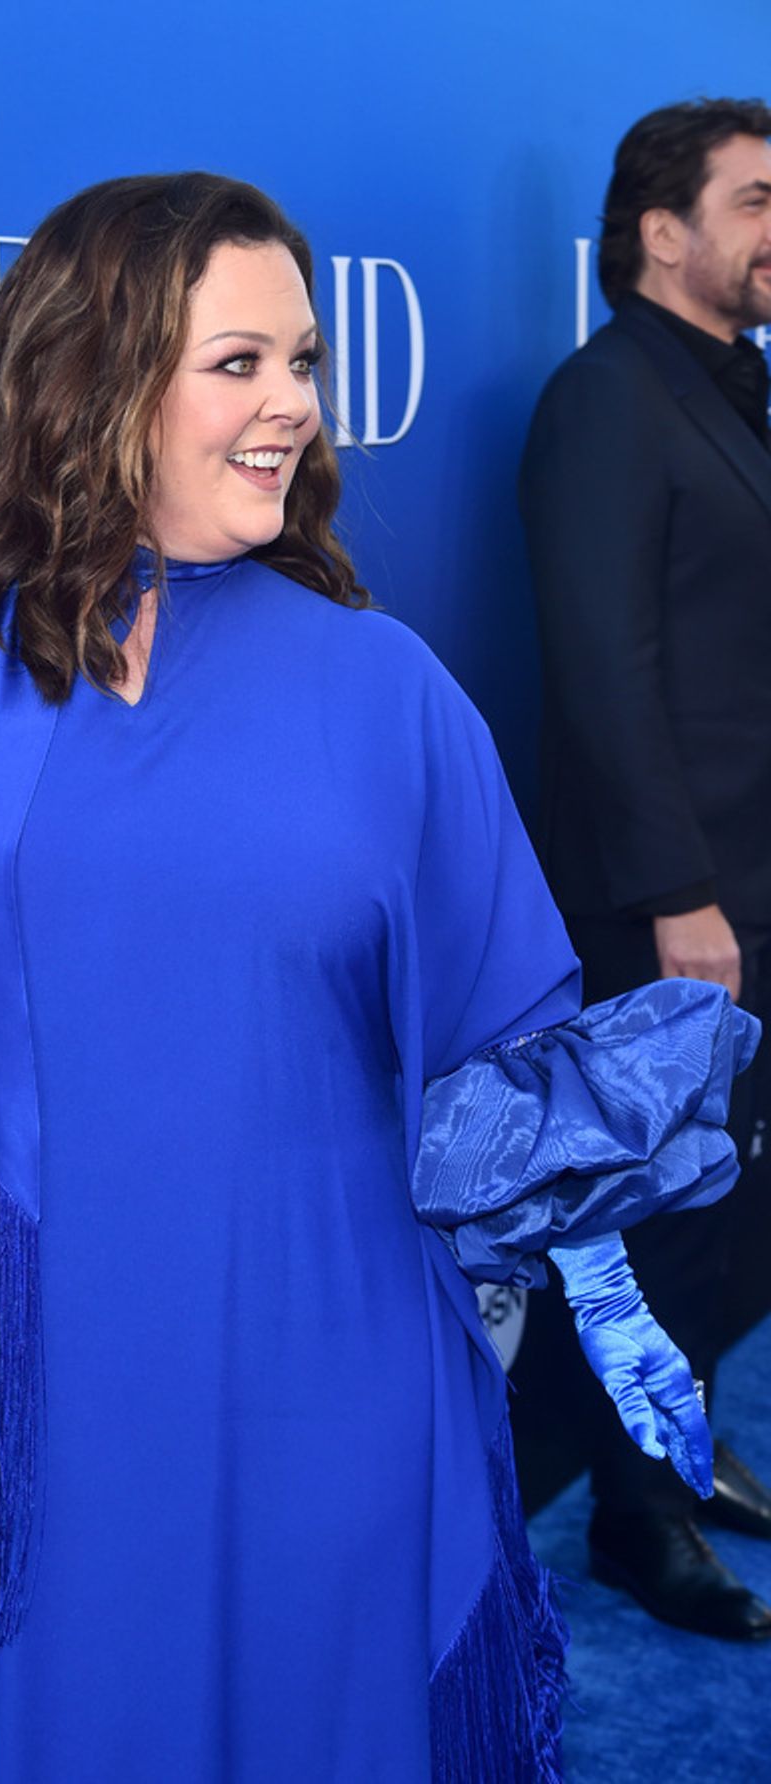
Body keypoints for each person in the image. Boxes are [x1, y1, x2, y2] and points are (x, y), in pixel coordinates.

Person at [0, 174, 758, 1782]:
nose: (294, 407)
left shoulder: (386, 689)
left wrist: (604, 1291)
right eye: (239, 363)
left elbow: (506, 1049)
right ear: (96, 378)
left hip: (318, 1380)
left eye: (304, 362)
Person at [519, 98, 771, 1641]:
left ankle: (684, 1447)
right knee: (670, 1214)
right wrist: (683, 897)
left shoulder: (730, 388)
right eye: (758, 200)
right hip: (677, 906)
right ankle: (637, 1517)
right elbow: (604, 670)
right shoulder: (606, 399)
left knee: (732, 1207)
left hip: (751, 886)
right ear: (661, 232)